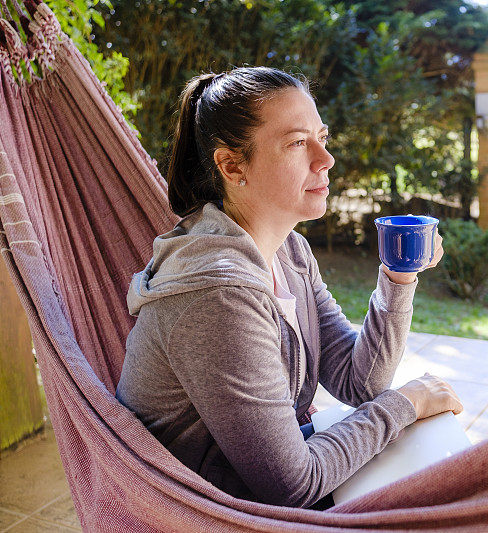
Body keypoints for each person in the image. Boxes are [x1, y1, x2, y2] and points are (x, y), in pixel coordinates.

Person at [115, 66, 464, 510]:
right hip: (209, 511)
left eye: (323, 137)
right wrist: (406, 403)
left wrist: (399, 277)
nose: (326, 159)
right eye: (298, 142)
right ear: (232, 164)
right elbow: (293, 484)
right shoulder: (216, 294)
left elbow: (360, 382)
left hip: (254, 487)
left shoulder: (289, 252)